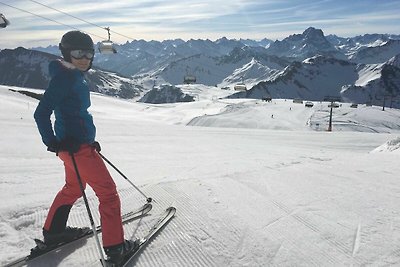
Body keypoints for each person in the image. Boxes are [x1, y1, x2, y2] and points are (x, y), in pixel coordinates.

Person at [33, 30, 136, 264]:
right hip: (77, 149)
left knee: (73, 188)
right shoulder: (66, 78)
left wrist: (75, 142)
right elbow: (41, 113)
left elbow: (72, 113)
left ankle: (54, 231)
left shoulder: (70, 74)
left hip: (74, 147)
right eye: (78, 53)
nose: (84, 58)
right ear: (66, 53)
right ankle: (116, 247)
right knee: (108, 194)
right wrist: (52, 142)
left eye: (88, 54)